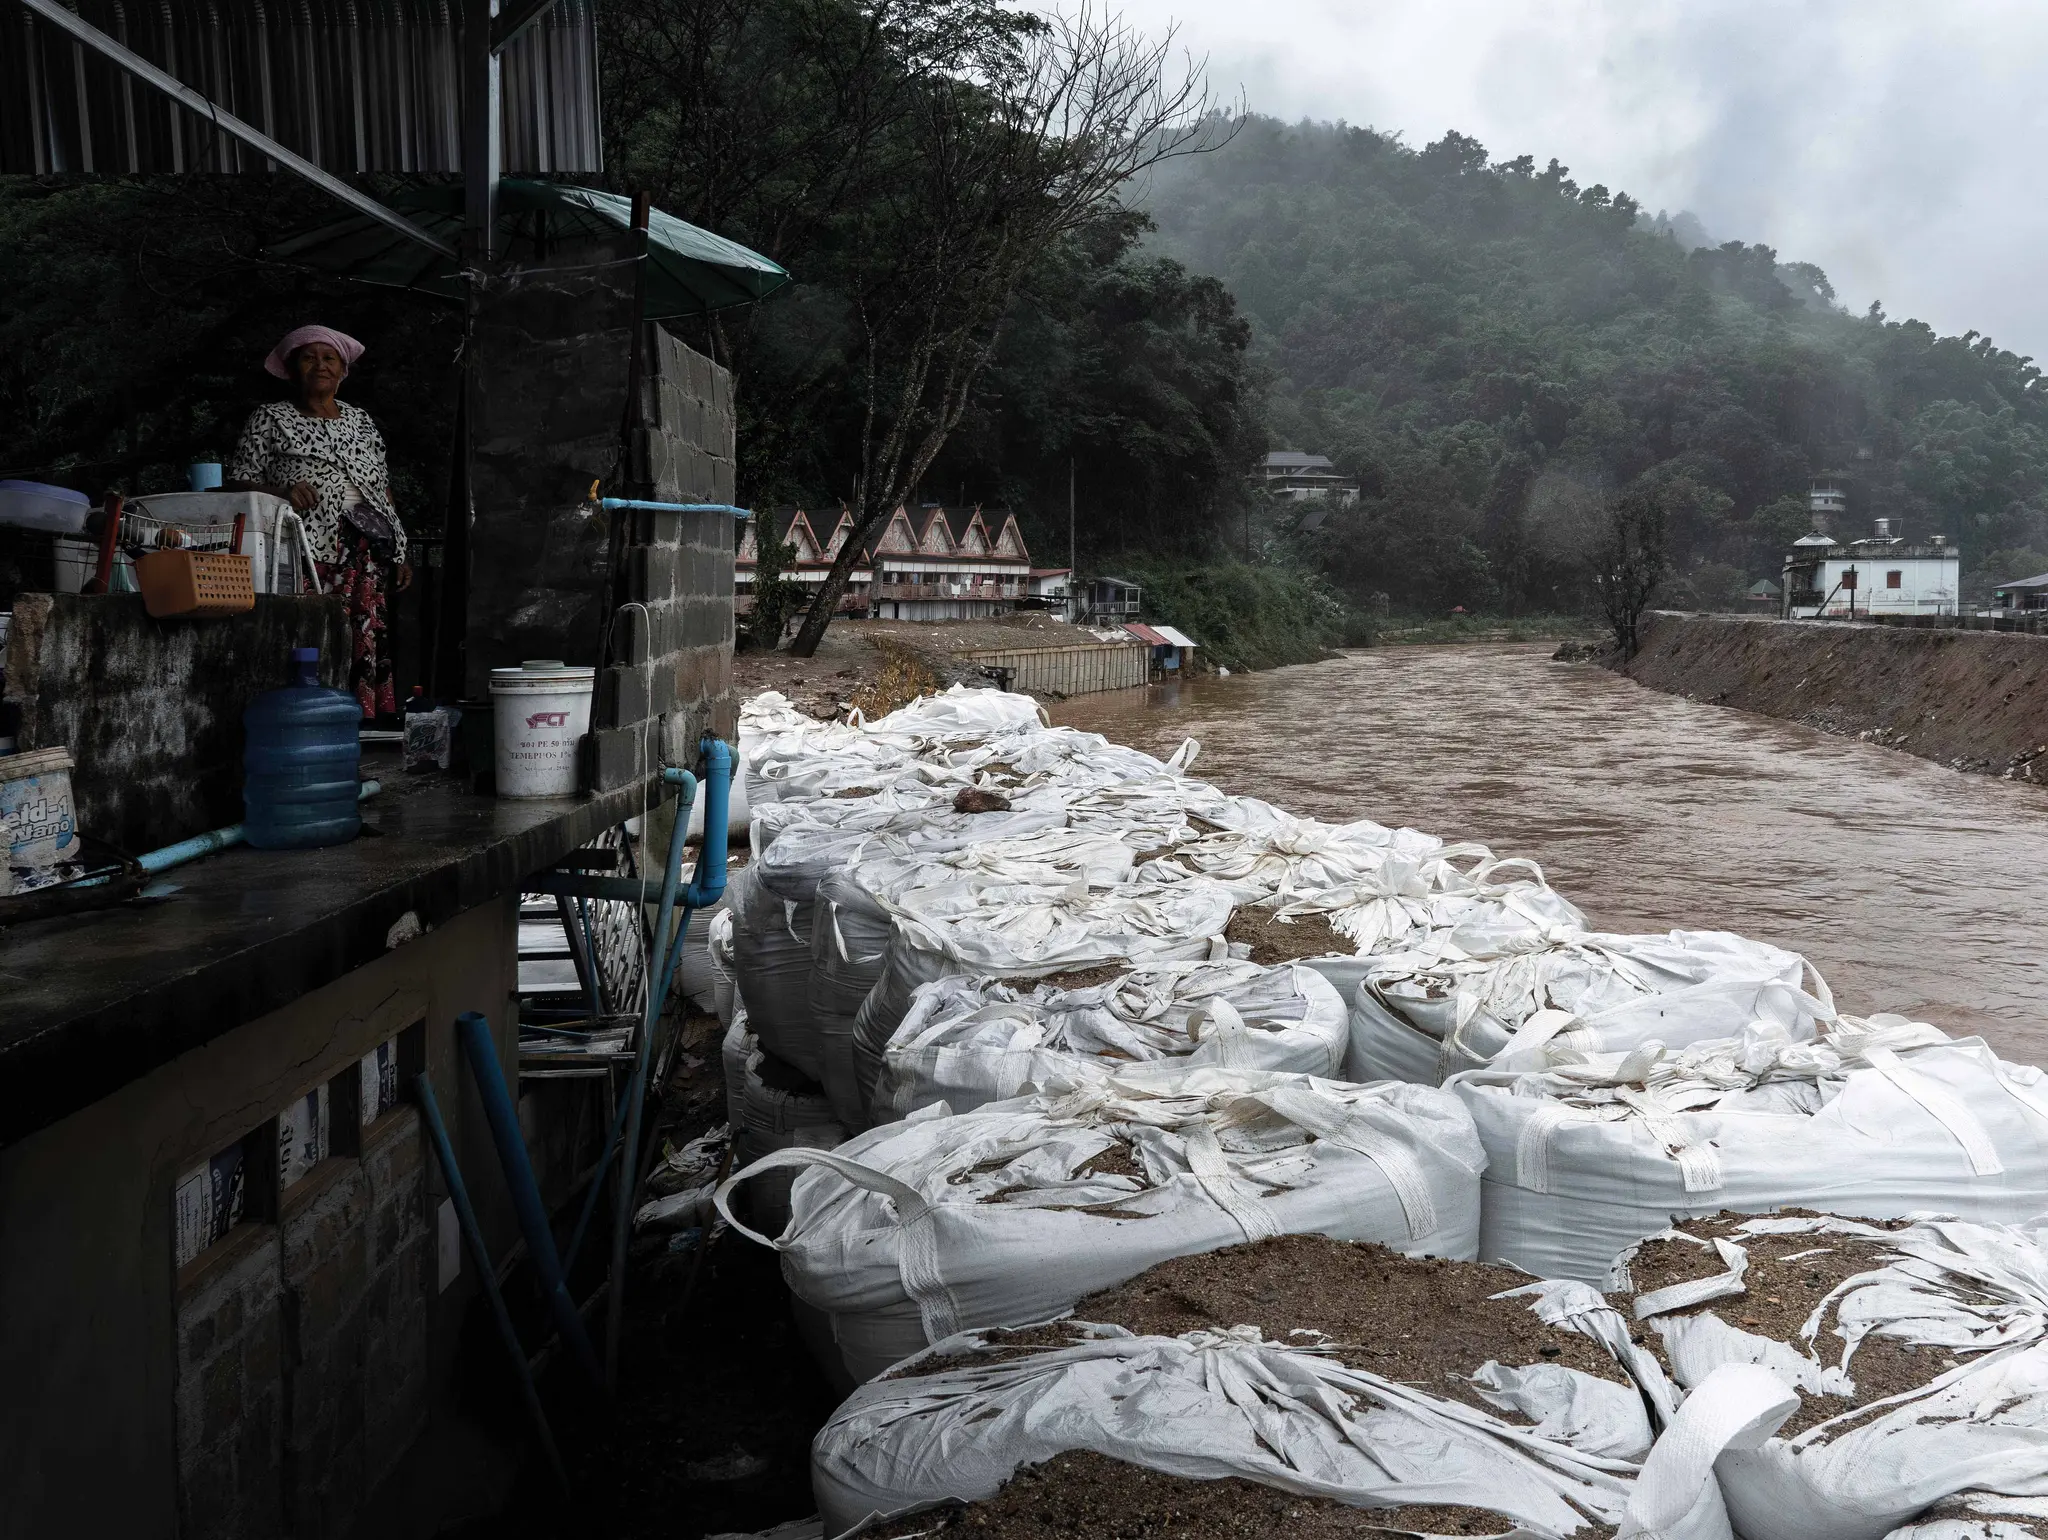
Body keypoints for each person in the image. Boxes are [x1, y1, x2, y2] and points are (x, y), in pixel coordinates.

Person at [227, 325, 411, 719]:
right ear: (292, 369)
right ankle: (311, 712)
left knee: (363, 627)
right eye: (309, 358)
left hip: (364, 547)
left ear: (343, 371)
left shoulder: (360, 421)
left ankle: (360, 715)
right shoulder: (271, 417)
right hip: (304, 546)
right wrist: (283, 491)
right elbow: (238, 479)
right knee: (311, 629)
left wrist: (399, 548)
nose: (320, 365)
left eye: (329, 359)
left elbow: (382, 487)